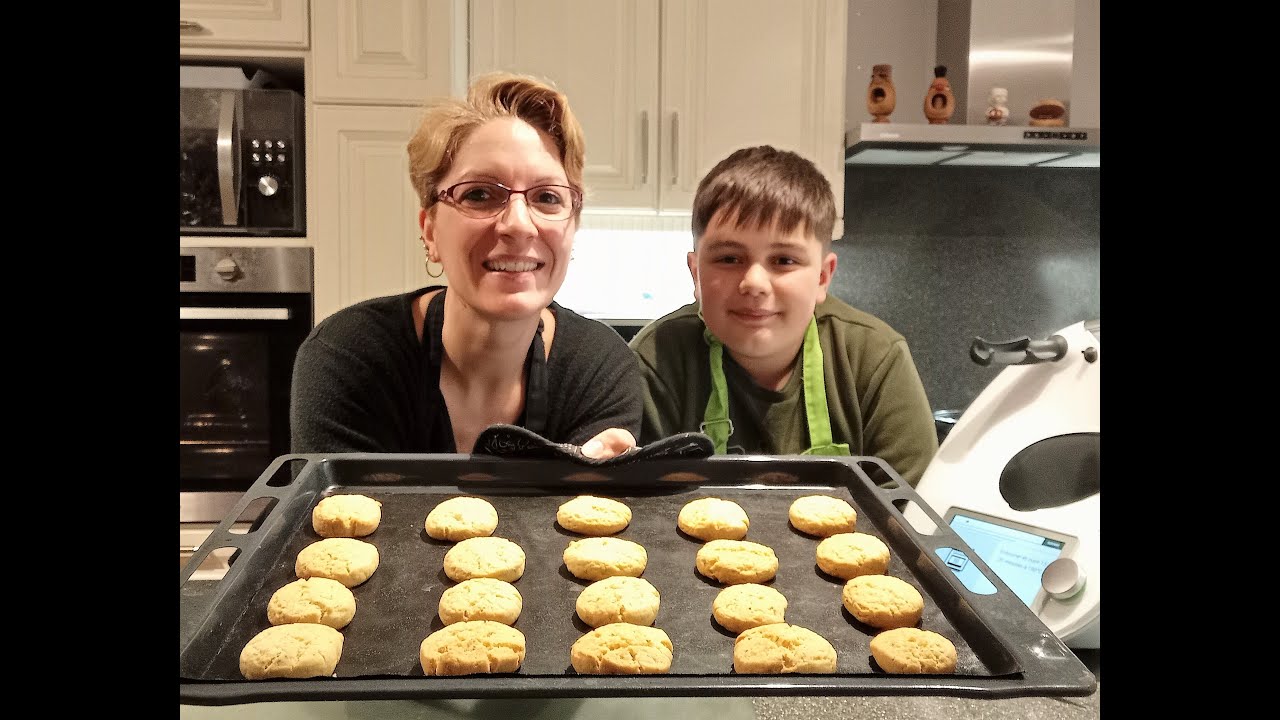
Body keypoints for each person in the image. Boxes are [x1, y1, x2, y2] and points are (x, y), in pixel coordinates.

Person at [290, 72, 641, 459]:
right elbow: (339, 516)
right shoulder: (349, 358)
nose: (519, 225)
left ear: (572, 228)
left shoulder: (599, 369)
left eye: (547, 197)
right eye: (479, 194)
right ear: (431, 231)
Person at [629, 145, 938, 486]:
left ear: (823, 276)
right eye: (729, 259)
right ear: (695, 273)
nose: (754, 283)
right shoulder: (655, 362)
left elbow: (909, 518)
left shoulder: (875, 360)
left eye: (784, 261)